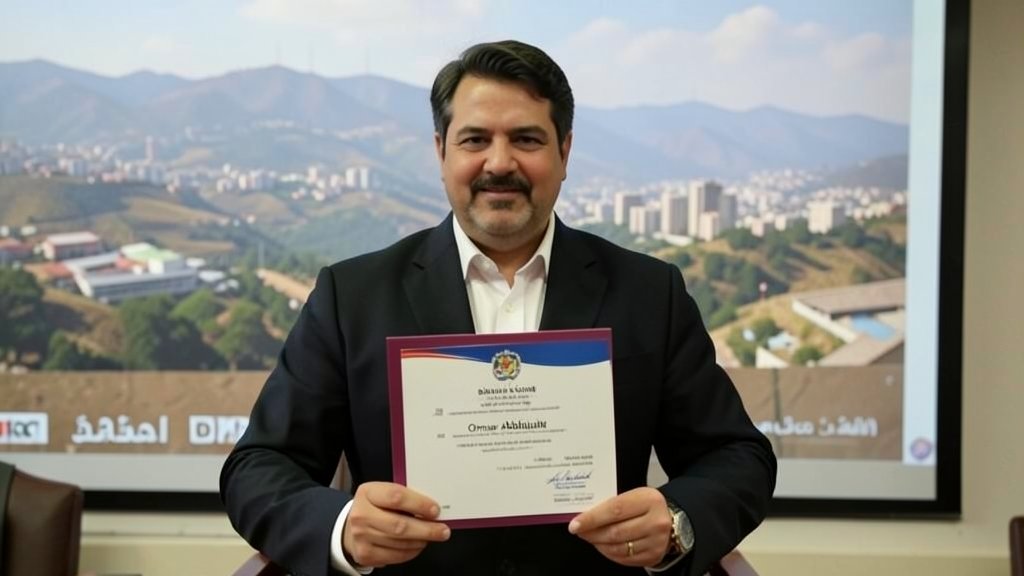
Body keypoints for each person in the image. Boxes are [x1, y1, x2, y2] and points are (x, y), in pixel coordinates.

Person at [221, 40, 776, 576]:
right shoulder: (353, 295)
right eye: (475, 139)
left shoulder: (649, 292)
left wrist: (677, 522)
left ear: (565, 152)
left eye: (528, 139)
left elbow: (737, 456)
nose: (500, 162)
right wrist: (341, 528)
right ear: (441, 152)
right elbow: (258, 468)